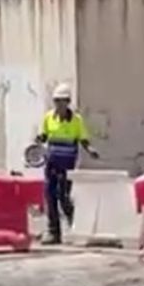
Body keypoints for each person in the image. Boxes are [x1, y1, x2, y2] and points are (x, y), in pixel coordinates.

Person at [34, 83, 98, 244]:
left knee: (64, 197)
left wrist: (90, 150)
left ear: (67, 102)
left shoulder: (76, 121)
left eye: (61, 101)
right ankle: (53, 232)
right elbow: (43, 136)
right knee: (50, 195)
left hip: (67, 164)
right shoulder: (49, 117)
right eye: (56, 101)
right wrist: (37, 143)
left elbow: (83, 140)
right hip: (51, 163)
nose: (58, 104)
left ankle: (75, 225)